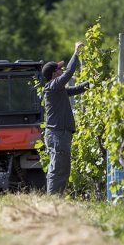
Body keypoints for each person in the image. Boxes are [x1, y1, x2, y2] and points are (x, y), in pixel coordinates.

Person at [41, 41, 91, 195]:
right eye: (59, 69)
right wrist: (75, 53)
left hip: (60, 134)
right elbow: (69, 73)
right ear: (54, 74)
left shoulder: (57, 90)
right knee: (58, 169)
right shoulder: (52, 86)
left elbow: (75, 89)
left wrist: (91, 83)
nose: (62, 70)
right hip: (57, 134)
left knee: (62, 168)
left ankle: (57, 199)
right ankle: (53, 200)